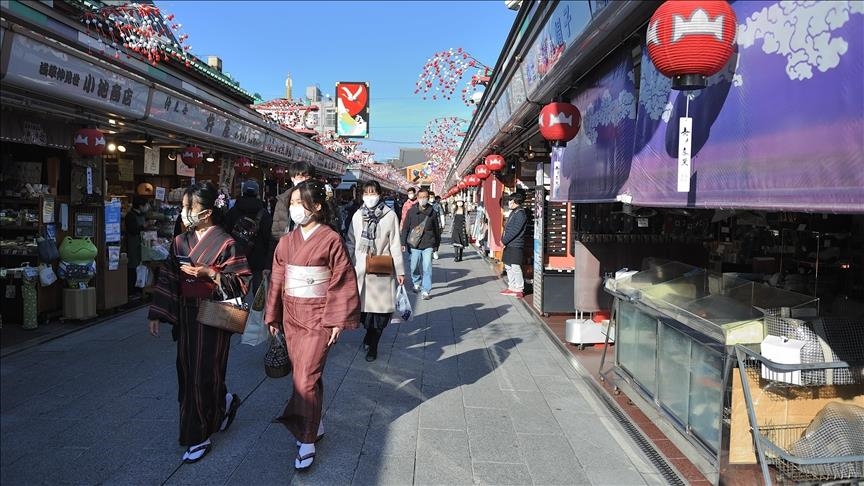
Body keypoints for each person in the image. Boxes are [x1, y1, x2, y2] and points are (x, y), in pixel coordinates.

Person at [147, 181, 252, 464]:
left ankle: (198, 435)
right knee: (188, 369)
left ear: (206, 213)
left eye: (188, 208)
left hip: (215, 314)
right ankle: (223, 402)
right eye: (183, 207)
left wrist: (211, 274)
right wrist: (158, 311)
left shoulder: (227, 243)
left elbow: (242, 281)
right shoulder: (180, 240)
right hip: (187, 314)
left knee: (202, 372)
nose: (184, 213)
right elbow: (169, 276)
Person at [263, 180, 360, 471]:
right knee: (305, 375)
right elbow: (278, 278)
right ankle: (314, 422)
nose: (293, 208)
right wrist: (273, 314)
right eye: (291, 202)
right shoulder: (286, 241)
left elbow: (341, 279)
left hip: (318, 316)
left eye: (299, 202)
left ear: (317, 206)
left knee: (305, 377)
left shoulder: (330, 239)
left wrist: (336, 320)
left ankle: (306, 438)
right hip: (292, 315)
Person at [345, 180, 406, 362]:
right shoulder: (357, 216)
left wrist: (400, 270)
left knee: (380, 313)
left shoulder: (390, 216)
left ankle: (374, 345)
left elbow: (395, 244)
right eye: (366, 193)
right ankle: (368, 335)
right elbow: (350, 241)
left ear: (379, 194)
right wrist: (346, 263)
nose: (369, 197)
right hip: (361, 268)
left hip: (382, 268)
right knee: (364, 313)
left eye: (373, 193)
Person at [223, 179, 272, 295]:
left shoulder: (233, 211)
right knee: (258, 293)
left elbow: (225, 232)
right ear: (257, 193)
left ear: (243, 192)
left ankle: (237, 312)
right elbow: (268, 237)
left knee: (237, 291)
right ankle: (256, 312)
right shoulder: (263, 213)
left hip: (236, 257)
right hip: (258, 259)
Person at [400, 188, 441, 300]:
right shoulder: (411, 211)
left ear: (428, 198)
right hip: (414, 244)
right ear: (417, 198)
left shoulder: (432, 212)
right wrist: (403, 242)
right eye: (421, 197)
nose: (423, 199)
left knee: (427, 267)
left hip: (428, 243)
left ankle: (426, 290)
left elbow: (437, 229)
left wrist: (436, 245)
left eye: (425, 197)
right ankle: (416, 282)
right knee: (413, 266)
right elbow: (405, 228)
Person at [270, 161, 315, 243]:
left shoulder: (318, 198)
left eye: (307, 177)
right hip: (288, 245)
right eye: (300, 177)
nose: (304, 181)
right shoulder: (283, 200)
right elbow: (276, 231)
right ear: (292, 178)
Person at [500, 192, 528, 298]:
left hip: (516, 244)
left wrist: (503, 241)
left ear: (515, 201)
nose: (509, 202)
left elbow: (515, 230)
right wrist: (503, 240)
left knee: (516, 267)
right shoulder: (514, 212)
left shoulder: (521, 213)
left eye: (510, 200)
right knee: (508, 266)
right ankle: (511, 287)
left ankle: (519, 288)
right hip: (509, 244)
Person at [125, 196, 151, 296]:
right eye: (146, 205)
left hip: (141, 245)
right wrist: (143, 226)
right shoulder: (130, 216)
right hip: (133, 245)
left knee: (142, 266)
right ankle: (132, 291)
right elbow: (133, 230)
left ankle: (141, 289)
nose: (147, 207)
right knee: (133, 267)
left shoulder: (142, 215)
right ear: (140, 206)